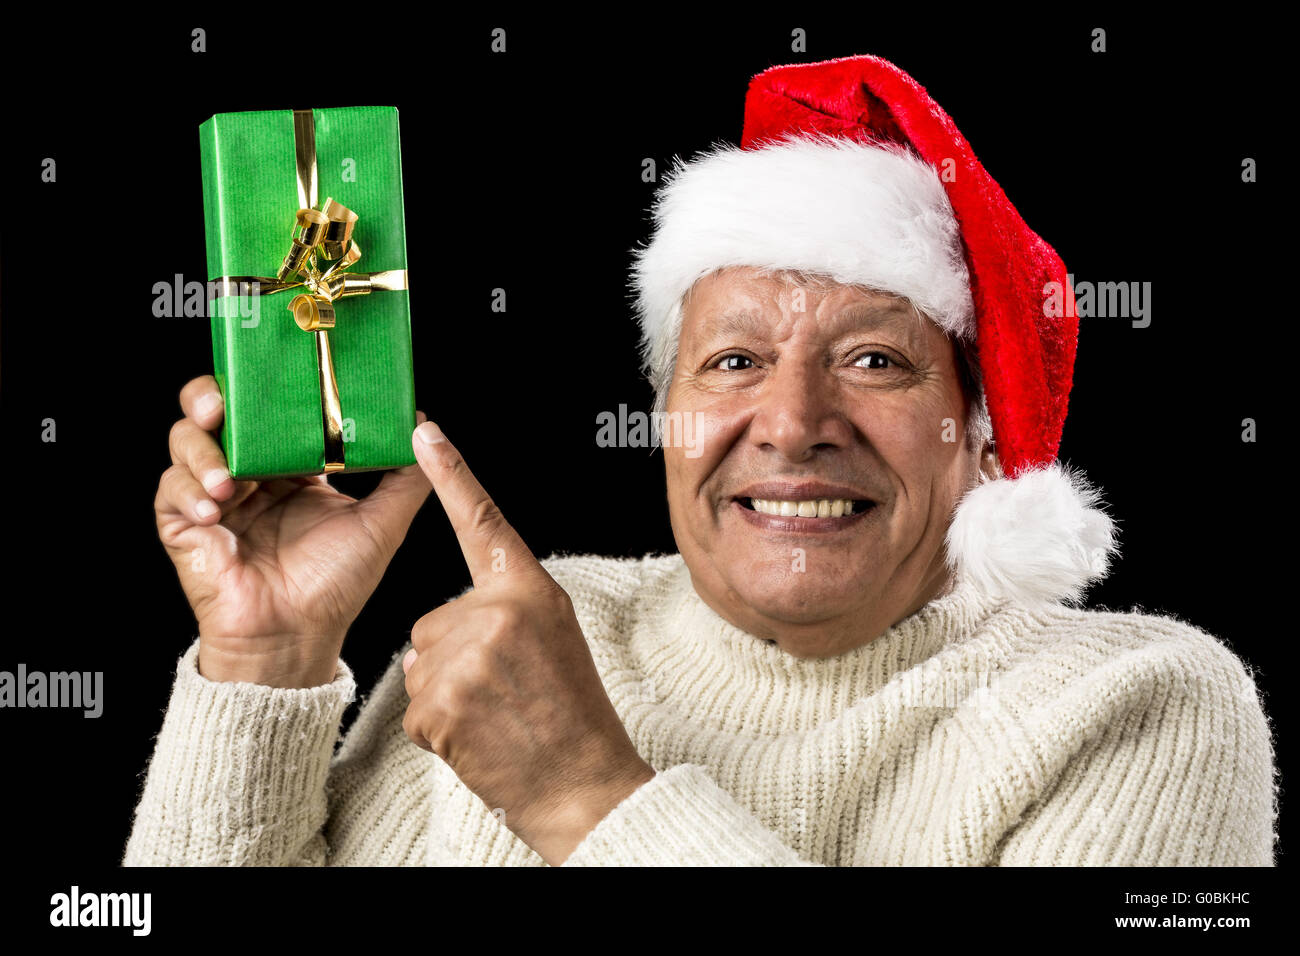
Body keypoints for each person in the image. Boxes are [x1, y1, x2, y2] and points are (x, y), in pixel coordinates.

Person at [124, 54, 1277, 866]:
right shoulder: (547, 622)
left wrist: (585, 794)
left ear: (978, 434)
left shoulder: (1139, 705)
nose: (788, 422)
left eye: (874, 360)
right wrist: (263, 660)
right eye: (730, 362)